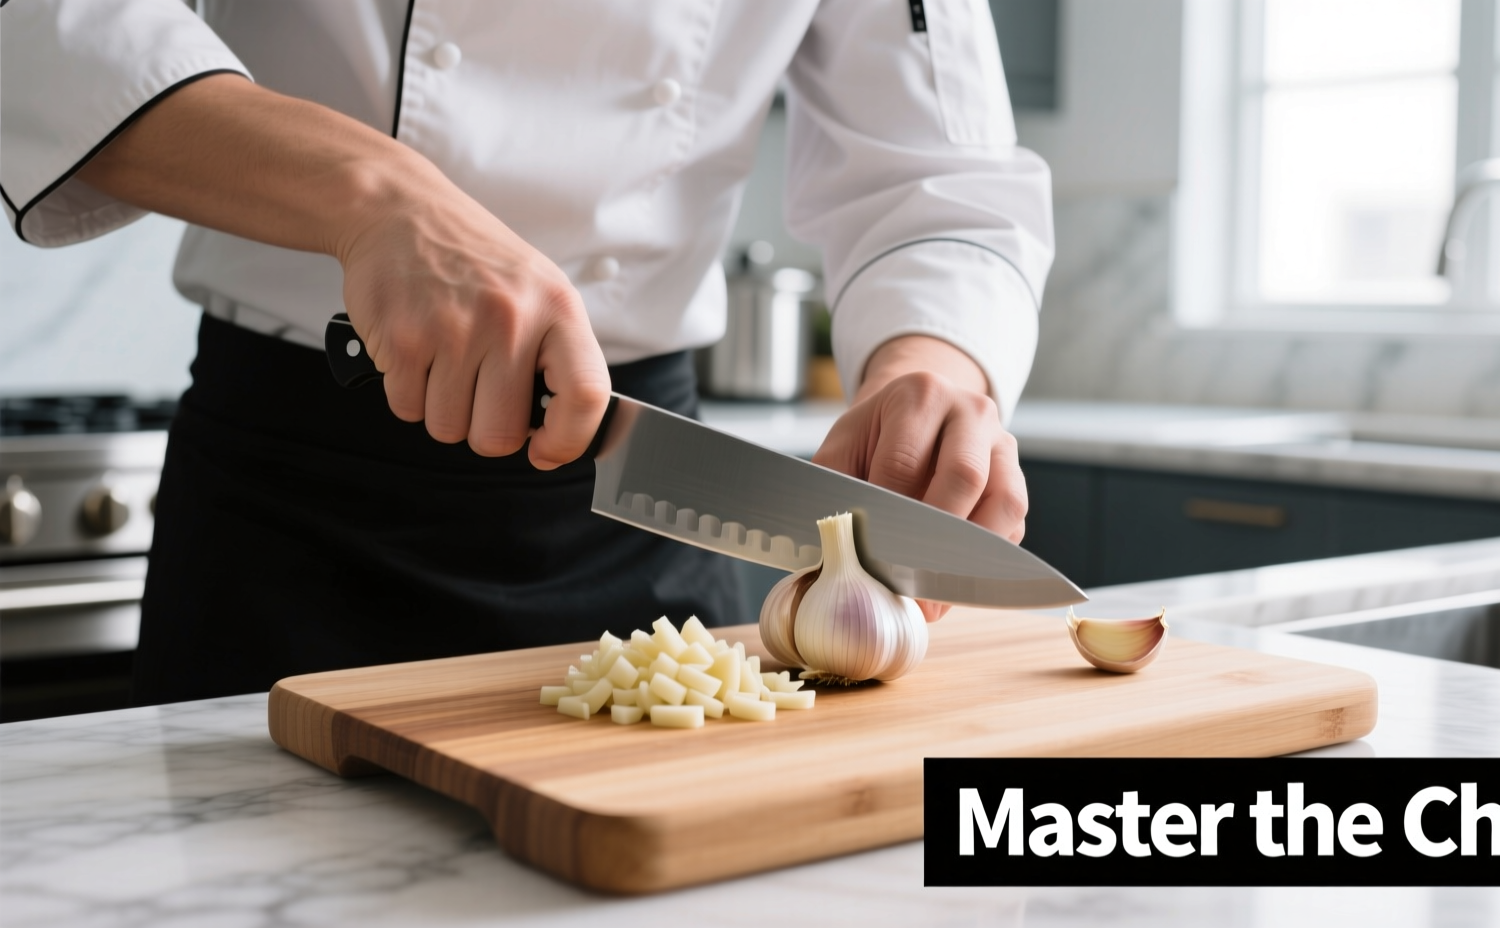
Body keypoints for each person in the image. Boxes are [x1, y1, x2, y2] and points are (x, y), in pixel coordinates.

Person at [1, 0, 1053, 705]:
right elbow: (49, 25)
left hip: (642, 533)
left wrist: (934, 365)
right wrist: (374, 195)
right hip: (287, 513)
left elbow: (938, 172)